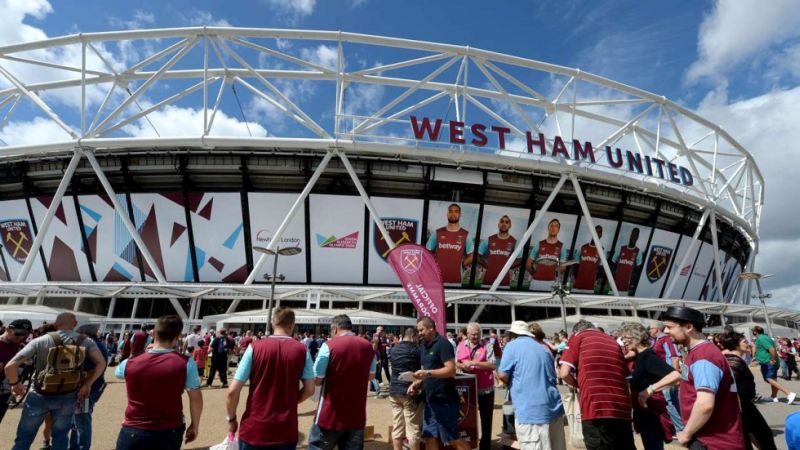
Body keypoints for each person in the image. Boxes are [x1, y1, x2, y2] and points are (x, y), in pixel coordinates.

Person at [5, 313, 106, 450]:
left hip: (39, 394)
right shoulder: (86, 342)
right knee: (61, 436)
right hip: (68, 396)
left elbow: (10, 366)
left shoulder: (41, 340)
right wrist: (88, 384)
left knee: (24, 437)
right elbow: (101, 363)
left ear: (56, 324)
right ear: (75, 324)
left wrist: (15, 384)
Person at [226, 307, 315, 449]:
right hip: (286, 429)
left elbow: (232, 391)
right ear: (292, 325)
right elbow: (310, 389)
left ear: (273, 324)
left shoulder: (254, 347)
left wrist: (231, 418)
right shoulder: (303, 350)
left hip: (254, 427)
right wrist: (293, 400)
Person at [114, 315, 203, 450]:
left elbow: (119, 374)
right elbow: (196, 398)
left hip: (133, 427)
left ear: (153, 334)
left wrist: (145, 353)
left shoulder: (129, 363)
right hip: (169, 428)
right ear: (178, 336)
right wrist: (195, 425)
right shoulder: (186, 363)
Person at [662, 306, 744, 449]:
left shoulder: (703, 356)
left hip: (713, 442)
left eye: (670, 327)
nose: (665, 331)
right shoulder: (698, 353)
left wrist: (686, 433)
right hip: (710, 438)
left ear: (688, 327)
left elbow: (705, 405)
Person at [558, 319, 635, 450]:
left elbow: (564, 373)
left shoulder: (577, 337)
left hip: (595, 406)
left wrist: (577, 385)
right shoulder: (612, 341)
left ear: (576, 331)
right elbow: (626, 377)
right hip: (621, 407)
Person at [310, 314, 377, 450]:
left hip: (330, 415)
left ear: (334, 329)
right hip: (356, 415)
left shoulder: (329, 346)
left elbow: (317, 379)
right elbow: (371, 376)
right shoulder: (368, 347)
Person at [497, 321, 565, 450]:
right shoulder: (544, 348)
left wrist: (510, 382)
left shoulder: (512, 346)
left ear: (512, 334)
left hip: (531, 412)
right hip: (554, 408)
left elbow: (502, 375)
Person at [409, 316, 470, 450]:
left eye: (421, 330)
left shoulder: (443, 344)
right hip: (430, 400)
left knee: (453, 438)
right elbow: (426, 370)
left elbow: (451, 370)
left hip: (445, 400)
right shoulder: (424, 345)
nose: (419, 333)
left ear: (431, 328)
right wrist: (416, 383)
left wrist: (428, 373)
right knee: (429, 436)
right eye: (418, 331)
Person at [619, 322, 680, 450]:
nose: (624, 342)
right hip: (644, 411)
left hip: (651, 412)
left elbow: (675, 376)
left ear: (637, 337)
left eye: (626, 338)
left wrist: (650, 390)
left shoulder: (648, 356)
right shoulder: (640, 356)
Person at [718, 328, 776, 450]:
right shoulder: (734, 361)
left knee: (749, 439)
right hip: (743, 408)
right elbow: (728, 382)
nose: (748, 343)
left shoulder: (732, 358)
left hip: (742, 407)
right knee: (764, 437)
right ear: (735, 344)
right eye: (744, 341)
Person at [456, 322, 496, 450]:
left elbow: (492, 365)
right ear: (467, 334)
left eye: (477, 334)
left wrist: (475, 363)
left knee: (486, 419)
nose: (475, 336)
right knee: (466, 417)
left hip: (485, 389)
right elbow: (456, 362)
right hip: (467, 389)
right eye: (473, 334)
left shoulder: (487, 345)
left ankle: (485, 446)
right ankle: (469, 443)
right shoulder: (461, 345)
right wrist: (463, 366)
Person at [69, 323, 109, 450]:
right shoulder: (98, 344)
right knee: (77, 420)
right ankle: (75, 446)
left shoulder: (92, 345)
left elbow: (93, 369)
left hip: (87, 389)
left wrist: (85, 385)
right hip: (93, 387)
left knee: (82, 421)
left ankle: (82, 447)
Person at [389, 327, 423, 450]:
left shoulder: (394, 349)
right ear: (414, 336)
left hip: (394, 391)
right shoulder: (418, 350)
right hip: (411, 393)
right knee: (413, 430)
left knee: (397, 427)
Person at [648, 321, 684, 432]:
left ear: (656, 329)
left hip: (667, 375)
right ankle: (681, 425)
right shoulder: (657, 340)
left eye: (651, 328)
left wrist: (674, 374)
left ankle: (680, 428)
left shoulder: (666, 339)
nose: (649, 331)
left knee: (668, 401)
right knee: (673, 400)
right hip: (665, 375)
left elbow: (674, 357)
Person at [426, 203, 474, 285]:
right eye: (450, 211)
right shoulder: (437, 233)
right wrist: (434, 265)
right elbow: (427, 252)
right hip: (437, 279)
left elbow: (471, 256)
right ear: (447, 214)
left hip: (456, 280)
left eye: (456, 211)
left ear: (460, 214)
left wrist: (462, 265)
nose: (453, 214)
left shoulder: (466, 234)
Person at [752, 325, 795, 404]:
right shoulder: (765, 337)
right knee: (773, 379)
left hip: (768, 362)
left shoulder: (761, 338)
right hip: (769, 361)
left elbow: (771, 349)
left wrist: (772, 359)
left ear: (755, 332)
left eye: (753, 331)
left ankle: (789, 394)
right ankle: (773, 396)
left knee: (769, 379)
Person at [0, 319, 31, 424]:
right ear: (8, 329)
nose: (21, 337)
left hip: (5, 392)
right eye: (18, 334)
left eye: (25, 334)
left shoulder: (21, 346)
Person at [477, 215, 520, 287]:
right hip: (487, 282)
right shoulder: (489, 239)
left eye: (507, 222)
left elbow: (521, 259)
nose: (504, 224)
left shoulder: (514, 242)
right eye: (502, 221)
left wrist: (508, 267)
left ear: (510, 225)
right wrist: (487, 266)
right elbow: (477, 256)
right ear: (498, 224)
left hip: (504, 283)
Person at [526, 218, 567, 284]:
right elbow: (528, 263)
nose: (553, 228)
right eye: (551, 225)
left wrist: (553, 274)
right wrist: (535, 273)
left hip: (552, 282)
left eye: (556, 226)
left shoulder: (562, 246)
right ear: (548, 228)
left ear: (558, 230)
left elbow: (563, 267)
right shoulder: (539, 244)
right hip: (536, 281)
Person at [572, 225, 604, 291]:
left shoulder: (601, 250)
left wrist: (595, 280)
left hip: (590, 288)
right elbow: (575, 265)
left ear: (601, 235)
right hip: (577, 286)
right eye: (595, 232)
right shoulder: (583, 247)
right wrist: (578, 278)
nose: (597, 234)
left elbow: (601, 270)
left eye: (599, 232)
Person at [612, 227, 643, 293]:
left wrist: (631, 283)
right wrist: (614, 274)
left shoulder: (638, 252)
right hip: (614, 285)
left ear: (637, 238)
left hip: (626, 287)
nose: (633, 237)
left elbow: (637, 271)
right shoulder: (621, 248)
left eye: (635, 235)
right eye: (632, 234)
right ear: (630, 235)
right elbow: (613, 262)